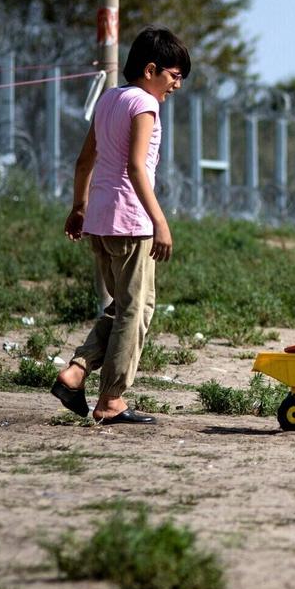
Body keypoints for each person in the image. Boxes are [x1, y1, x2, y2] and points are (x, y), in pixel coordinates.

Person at [50, 26, 189, 425]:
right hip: (131, 221)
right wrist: (159, 221)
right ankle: (111, 400)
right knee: (136, 310)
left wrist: (79, 207)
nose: (176, 85)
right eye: (174, 76)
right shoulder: (145, 105)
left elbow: (83, 161)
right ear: (151, 69)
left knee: (123, 305)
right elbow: (135, 166)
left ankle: (75, 373)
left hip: (100, 221)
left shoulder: (110, 99)